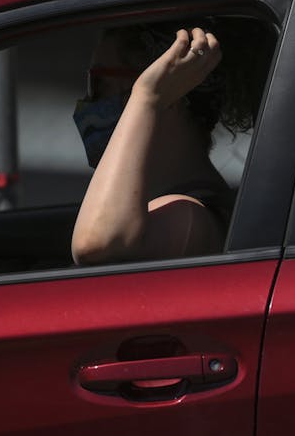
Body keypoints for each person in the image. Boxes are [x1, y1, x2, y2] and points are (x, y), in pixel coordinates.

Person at [71, 23, 241, 265]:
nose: (87, 101)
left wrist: (146, 99)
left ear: (172, 88)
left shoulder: (190, 215)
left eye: (97, 84)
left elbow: (96, 244)